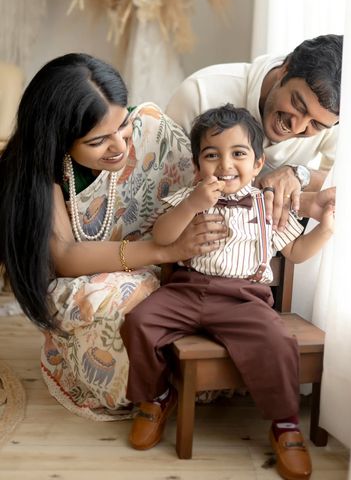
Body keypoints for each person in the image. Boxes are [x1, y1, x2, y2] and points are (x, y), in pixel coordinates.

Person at [0, 53, 228, 419]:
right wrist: (158, 251)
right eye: (98, 141)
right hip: (99, 279)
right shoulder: (42, 173)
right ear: (59, 140)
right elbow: (66, 256)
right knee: (106, 304)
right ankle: (151, 393)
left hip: (172, 262)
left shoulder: (150, 129)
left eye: (122, 126)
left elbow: (214, 175)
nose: (120, 146)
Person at [120, 105, 334, 479]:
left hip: (244, 298)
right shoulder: (191, 197)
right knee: (139, 321)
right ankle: (155, 398)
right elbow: (163, 238)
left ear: (258, 163)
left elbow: (296, 252)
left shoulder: (267, 207)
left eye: (238, 154)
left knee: (276, 340)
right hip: (186, 291)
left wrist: (325, 230)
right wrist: (193, 204)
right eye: (211, 155)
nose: (225, 164)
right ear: (197, 164)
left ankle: (285, 425)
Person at [165, 34, 342, 230]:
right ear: (285, 69)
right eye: (298, 105)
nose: (297, 127)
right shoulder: (199, 94)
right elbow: (163, 192)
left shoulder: (334, 118)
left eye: (316, 125)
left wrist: (299, 174)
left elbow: (346, 186)